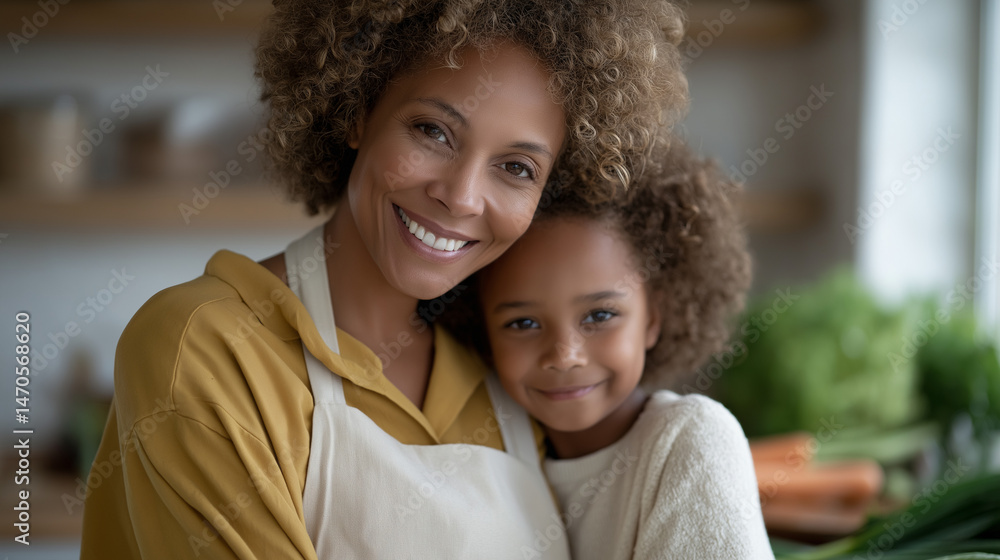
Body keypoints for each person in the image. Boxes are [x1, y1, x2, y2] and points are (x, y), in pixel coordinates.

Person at [78, 1, 689, 558]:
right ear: (357, 112)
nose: (461, 196)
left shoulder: (508, 364)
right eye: (432, 130)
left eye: (516, 167)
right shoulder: (204, 347)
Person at [440, 140, 774, 559]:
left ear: (654, 316)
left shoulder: (690, 442)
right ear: (480, 328)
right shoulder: (493, 450)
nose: (564, 355)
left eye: (599, 316)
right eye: (523, 323)